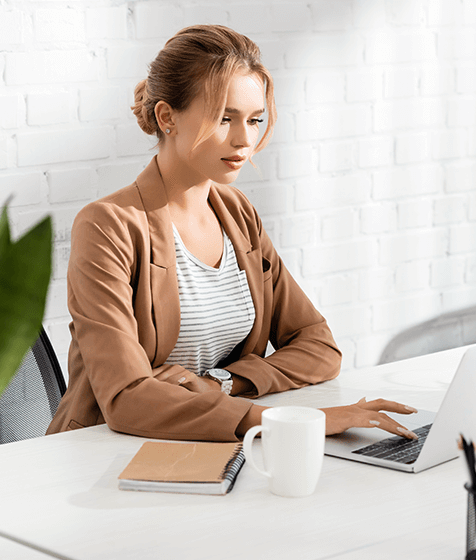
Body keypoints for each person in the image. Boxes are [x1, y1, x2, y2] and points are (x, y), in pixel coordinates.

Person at [47, 24, 418, 442]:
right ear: (167, 116)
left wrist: (221, 382)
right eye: (225, 118)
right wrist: (286, 423)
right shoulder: (108, 225)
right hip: (105, 452)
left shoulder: (237, 215)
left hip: (212, 445)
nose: (245, 139)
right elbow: (127, 399)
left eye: (255, 120)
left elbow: (318, 348)